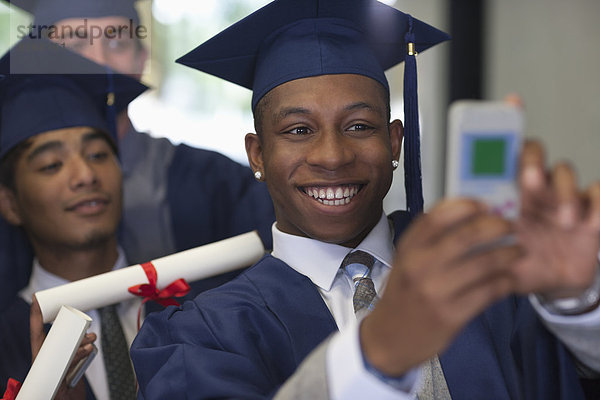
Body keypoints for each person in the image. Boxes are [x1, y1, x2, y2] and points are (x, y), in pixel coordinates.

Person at [130, 0, 600, 399]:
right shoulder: (203, 335)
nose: (332, 156)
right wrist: (376, 354)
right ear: (257, 153)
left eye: (360, 126)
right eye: (298, 130)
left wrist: (579, 304)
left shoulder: (491, 273)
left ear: (395, 143)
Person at [0, 0, 276, 310]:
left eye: (116, 41)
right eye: (74, 43)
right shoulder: (14, 193)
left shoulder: (218, 182)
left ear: (142, 59)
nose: (98, 59)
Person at [0, 37, 148, 399]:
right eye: (52, 165)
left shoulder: (188, 304)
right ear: (10, 204)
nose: (85, 175)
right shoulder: (5, 342)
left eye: (98, 154)